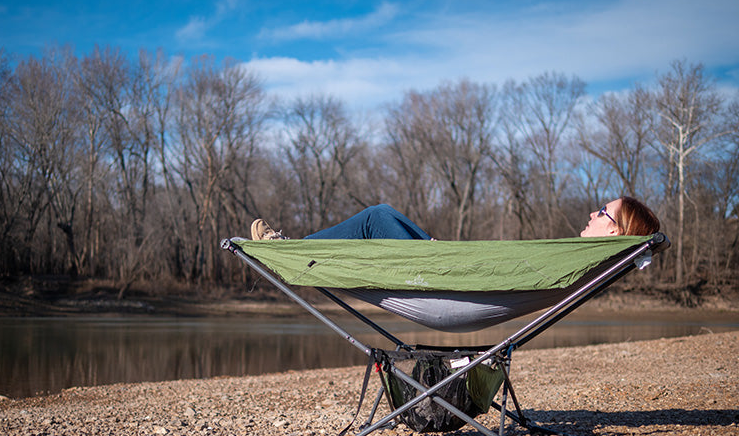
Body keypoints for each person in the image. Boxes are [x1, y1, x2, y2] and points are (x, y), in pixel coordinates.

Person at [251, 196, 659, 241]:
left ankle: (292, 251)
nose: (592, 212)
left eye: (603, 212)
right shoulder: (575, 257)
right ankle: (295, 247)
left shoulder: (574, 255)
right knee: (386, 211)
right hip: (455, 266)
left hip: (453, 279)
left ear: (616, 229)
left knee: (376, 215)